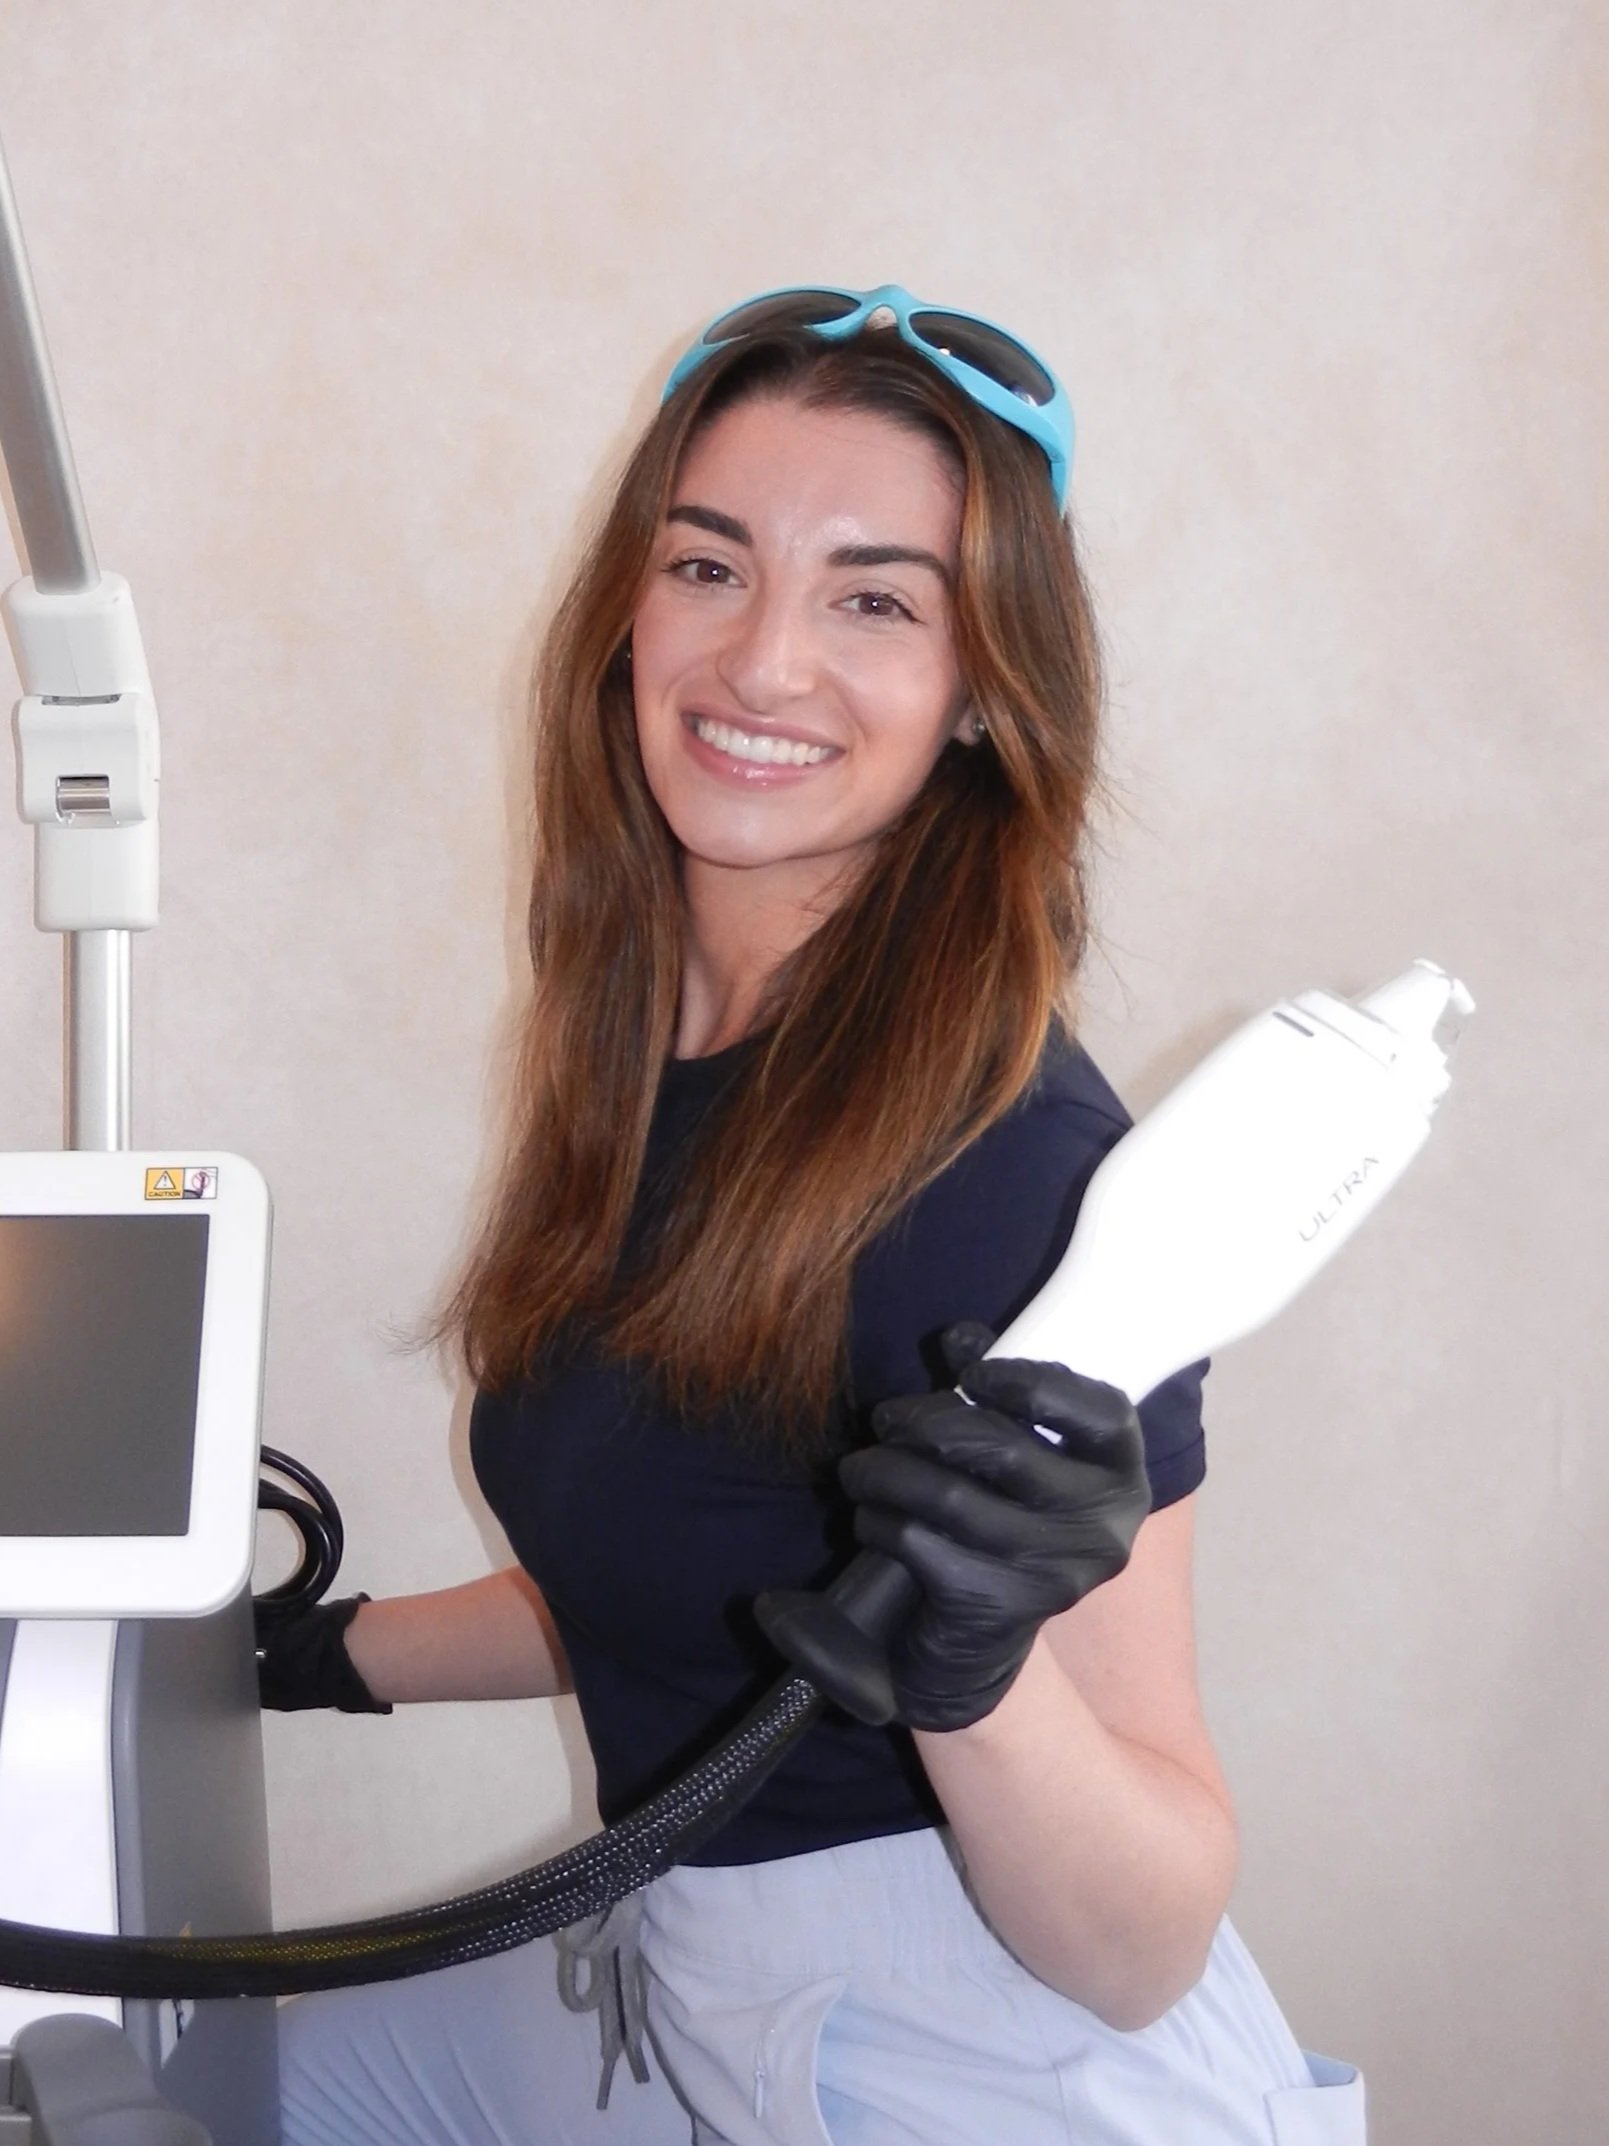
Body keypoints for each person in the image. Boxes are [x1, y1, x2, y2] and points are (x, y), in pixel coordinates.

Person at [266, 285, 1365, 2145]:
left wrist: (976, 1666)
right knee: (196, 2086)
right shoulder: (660, 1041)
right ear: (625, 607)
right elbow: (676, 1556)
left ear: (977, 694)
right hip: (689, 1955)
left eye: (873, 596)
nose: (761, 660)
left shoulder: (1005, 1177)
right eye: (708, 565)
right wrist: (306, 1655)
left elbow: (1139, 1934)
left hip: (972, 2044)